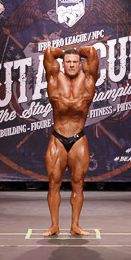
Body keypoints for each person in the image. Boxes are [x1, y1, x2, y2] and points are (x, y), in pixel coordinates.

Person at [43, 46, 99, 236]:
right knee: (53, 184)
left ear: (81, 63)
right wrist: (67, 52)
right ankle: (54, 226)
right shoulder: (54, 77)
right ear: (63, 64)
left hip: (78, 138)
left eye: (75, 61)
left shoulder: (88, 78)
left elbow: (91, 52)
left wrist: (74, 52)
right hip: (57, 139)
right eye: (68, 62)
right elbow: (49, 52)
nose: (72, 65)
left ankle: (75, 225)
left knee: (78, 184)